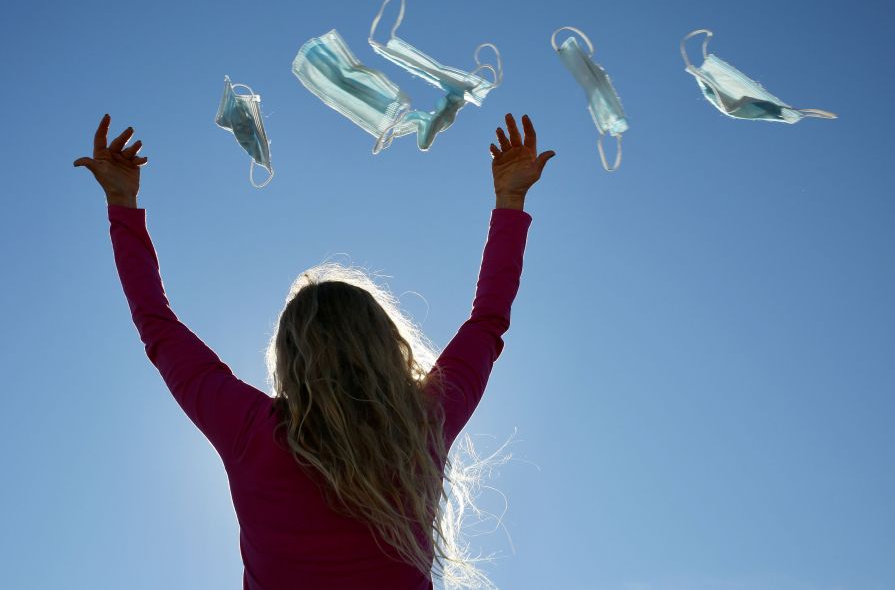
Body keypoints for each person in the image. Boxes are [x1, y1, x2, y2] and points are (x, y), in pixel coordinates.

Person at [73, 113, 555, 590]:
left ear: (288, 357)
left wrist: (123, 202)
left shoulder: (250, 430)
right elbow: (488, 321)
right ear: (387, 343)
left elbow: (156, 326)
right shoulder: (425, 420)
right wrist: (510, 201)